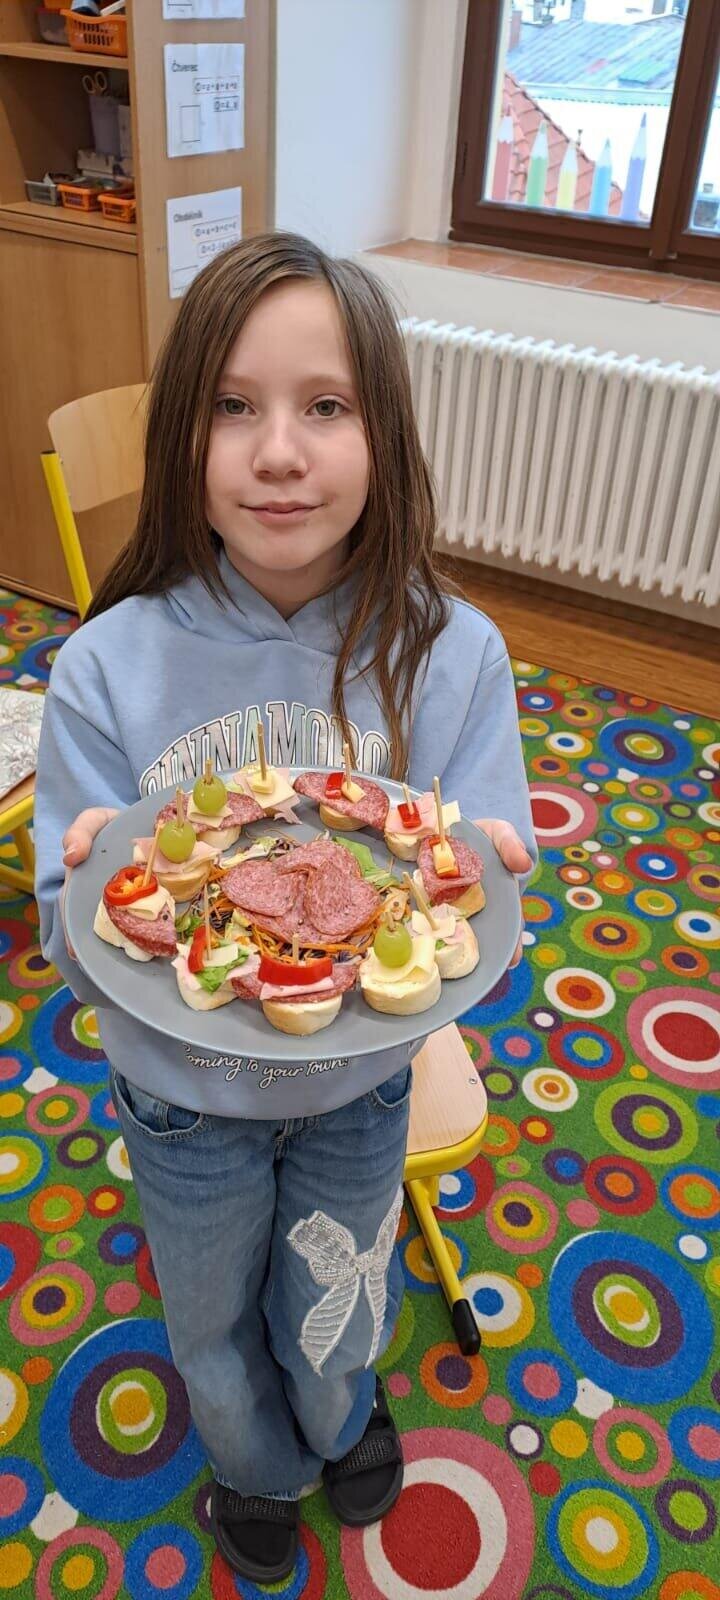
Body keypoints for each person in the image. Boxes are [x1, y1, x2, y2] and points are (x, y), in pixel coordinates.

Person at [35, 232, 536, 1583]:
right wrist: (86, 892)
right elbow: (68, 926)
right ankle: (253, 1464)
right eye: (232, 405)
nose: (276, 453)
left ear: (386, 436)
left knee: (341, 1278)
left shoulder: (449, 653)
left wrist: (491, 872)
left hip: (361, 1086)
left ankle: (338, 1411)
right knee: (207, 1309)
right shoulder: (107, 666)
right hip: (180, 1097)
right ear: (182, 435)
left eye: (325, 405)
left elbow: (482, 906)